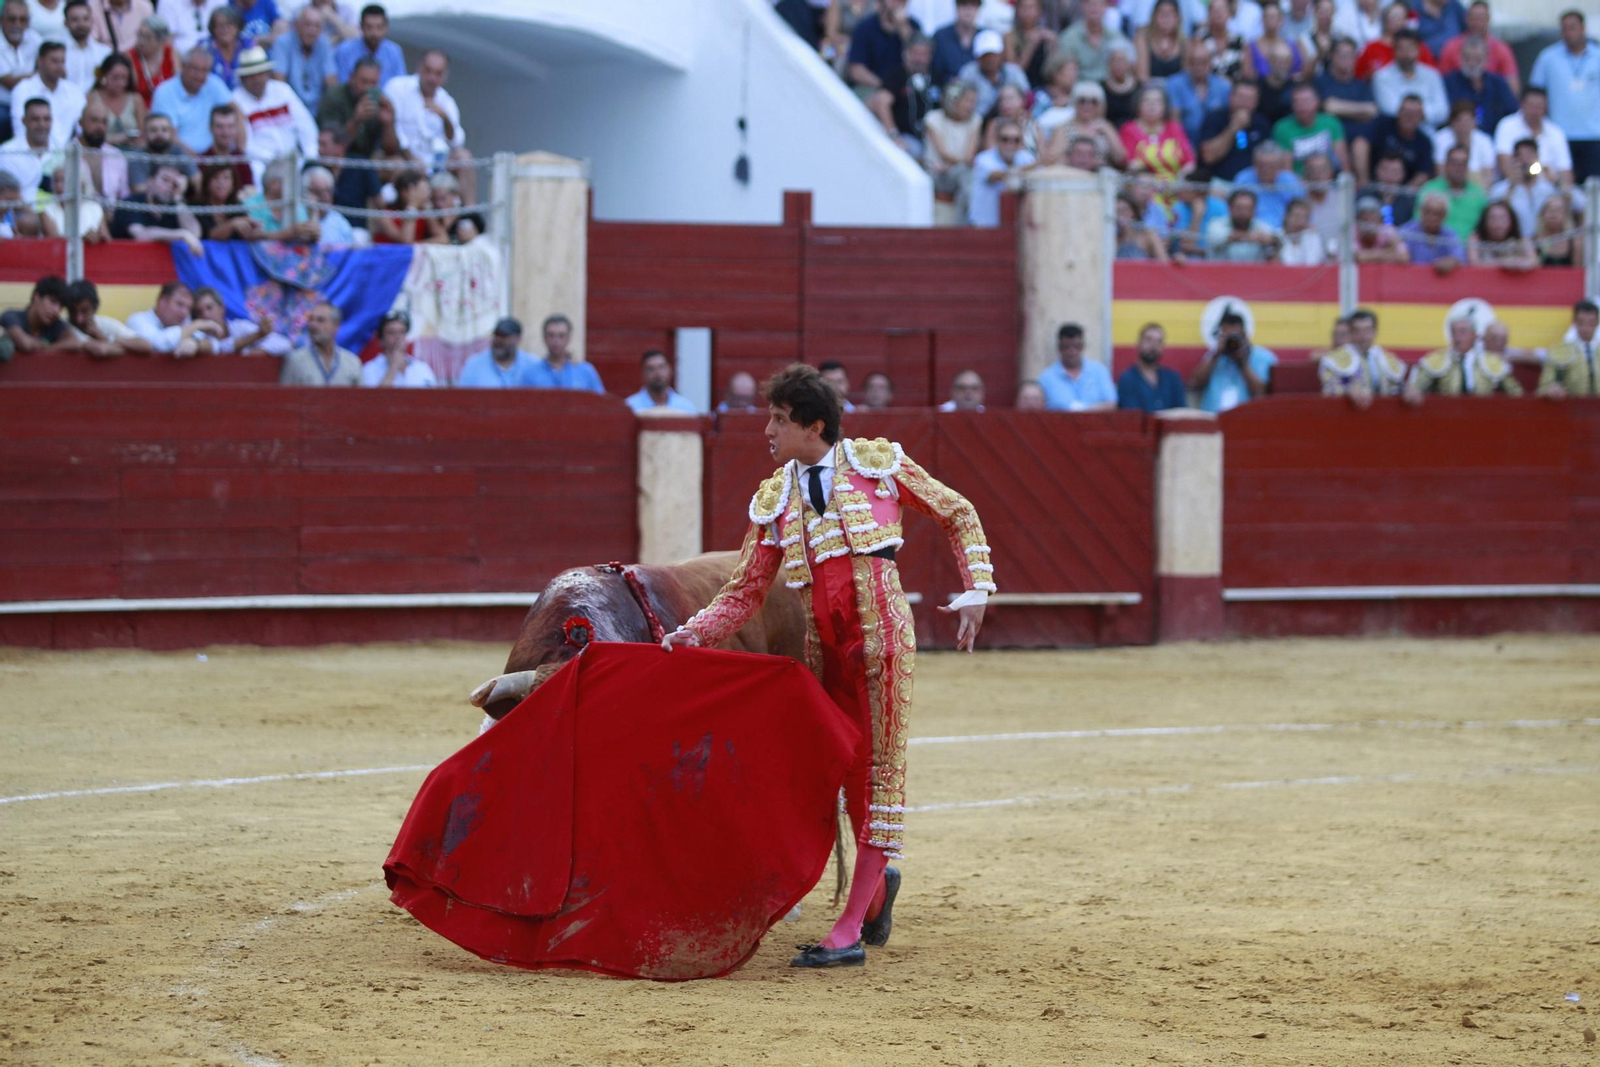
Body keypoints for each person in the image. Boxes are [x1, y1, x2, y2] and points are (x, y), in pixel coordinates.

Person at [660, 363, 994, 969]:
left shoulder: (877, 464)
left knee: (880, 774)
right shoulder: (774, 496)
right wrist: (692, 633)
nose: (767, 429)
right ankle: (874, 894)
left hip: (882, 639)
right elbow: (743, 591)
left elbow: (958, 512)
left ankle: (847, 931)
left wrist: (977, 589)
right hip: (822, 652)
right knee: (842, 773)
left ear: (814, 426)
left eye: (779, 420)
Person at [386, 49, 473, 203]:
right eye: (428, 71)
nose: (431, 78)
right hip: (405, 159)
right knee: (394, 163)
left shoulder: (446, 101)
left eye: (438, 73)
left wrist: (445, 118)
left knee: (464, 157)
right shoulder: (397, 88)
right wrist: (411, 157)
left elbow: (457, 142)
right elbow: (393, 127)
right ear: (419, 68)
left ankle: (470, 216)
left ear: (445, 76)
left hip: (437, 165)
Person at [1529, 10, 1599, 184]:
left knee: (1593, 188)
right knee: (1561, 185)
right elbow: (1535, 92)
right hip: (1559, 134)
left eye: (1573, 27)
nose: (1569, 33)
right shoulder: (1548, 57)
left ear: (1583, 28)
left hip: (1594, 134)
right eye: (1564, 29)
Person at [232, 45, 316, 172]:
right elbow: (247, 145)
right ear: (243, 78)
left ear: (267, 74)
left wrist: (310, 160)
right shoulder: (236, 101)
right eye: (251, 75)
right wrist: (273, 163)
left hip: (295, 161)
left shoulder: (282, 90)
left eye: (260, 74)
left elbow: (306, 126)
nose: (257, 79)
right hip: (261, 164)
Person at [847, 0, 920, 136]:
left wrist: (903, 27)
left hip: (905, 90)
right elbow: (856, 71)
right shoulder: (865, 27)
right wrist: (885, 86)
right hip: (872, 87)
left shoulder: (912, 27)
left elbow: (920, 60)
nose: (897, 3)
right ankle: (894, 138)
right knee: (882, 99)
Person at [1404, 314, 1521, 397]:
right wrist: (1412, 391)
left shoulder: (1491, 362)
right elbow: (1415, 385)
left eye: (1462, 332)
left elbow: (1516, 393)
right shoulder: (1437, 359)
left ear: (1474, 335)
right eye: (1453, 332)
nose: (1457, 337)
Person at [1191, 307, 1276, 411]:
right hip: (1215, 419)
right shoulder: (1214, 357)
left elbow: (1262, 393)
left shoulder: (1263, 357)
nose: (1231, 342)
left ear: (1244, 335)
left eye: (1234, 337)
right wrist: (1216, 355)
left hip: (1247, 419)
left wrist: (1242, 362)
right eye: (1227, 337)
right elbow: (1194, 384)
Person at [148, 44, 228, 149]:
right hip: (179, 159)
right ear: (183, 67)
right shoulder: (164, 92)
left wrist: (240, 151)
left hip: (213, 156)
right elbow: (168, 136)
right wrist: (198, 161)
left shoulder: (213, 83)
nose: (200, 75)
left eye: (204, 70)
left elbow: (236, 112)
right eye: (195, 69)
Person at [1493, 87, 1572, 189]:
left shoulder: (1556, 132)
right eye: (1531, 106)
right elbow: (1504, 163)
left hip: (1549, 189)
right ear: (1522, 105)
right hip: (1515, 187)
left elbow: (1565, 170)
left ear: (1545, 107)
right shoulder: (1506, 126)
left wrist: (1559, 184)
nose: (1535, 111)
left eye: (1539, 106)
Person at [1319, 307, 1404, 397]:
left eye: (1367, 330)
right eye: (1357, 331)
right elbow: (1329, 388)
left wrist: (1406, 390)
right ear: (1350, 332)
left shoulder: (1386, 358)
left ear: (1374, 332)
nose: (1363, 336)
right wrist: (1348, 390)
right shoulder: (1335, 359)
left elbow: (1397, 387)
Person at [12, 41, 84, 145]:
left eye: (62, 61)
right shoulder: (23, 89)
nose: (59, 66)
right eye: (54, 61)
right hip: (33, 153)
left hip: (68, 154)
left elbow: (82, 129)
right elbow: (20, 132)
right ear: (40, 61)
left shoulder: (74, 91)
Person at [1120, 82, 1194, 183]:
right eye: (1146, 101)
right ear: (1138, 105)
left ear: (1165, 106)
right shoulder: (1129, 129)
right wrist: (1156, 181)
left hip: (1176, 186)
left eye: (1157, 101)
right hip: (1144, 185)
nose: (1152, 105)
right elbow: (1131, 164)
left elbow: (1190, 162)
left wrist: (1178, 180)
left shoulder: (1174, 128)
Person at [1198, 78, 1270, 181]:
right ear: (1230, 97)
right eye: (1240, 97)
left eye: (1249, 98)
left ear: (1256, 102)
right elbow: (1208, 157)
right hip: (1218, 181)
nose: (1244, 102)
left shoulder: (1261, 123)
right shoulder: (1215, 118)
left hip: (1252, 182)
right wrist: (1234, 128)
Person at [1444, 34, 1516, 138]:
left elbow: (1511, 112)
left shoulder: (1498, 83)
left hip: (1494, 138)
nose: (1472, 63)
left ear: (1486, 58)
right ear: (1460, 57)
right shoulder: (1449, 82)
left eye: (1477, 58)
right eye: (1467, 58)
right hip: (1458, 138)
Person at [1353, 94, 1434, 185]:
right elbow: (1360, 143)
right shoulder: (1382, 124)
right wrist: (1363, 180)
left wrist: (1403, 195)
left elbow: (1423, 174)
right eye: (1406, 112)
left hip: (1403, 191)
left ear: (1422, 117)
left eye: (1414, 114)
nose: (1409, 117)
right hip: (1372, 184)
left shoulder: (1425, 143)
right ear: (1398, 112)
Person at [126, 279, 222, 354]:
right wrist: (195, 325)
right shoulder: (137, 320)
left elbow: (215, 344)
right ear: (162, 302)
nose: (184, 312)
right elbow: (158, 345)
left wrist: (196, 344)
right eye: (179, 304)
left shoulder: (184, 324)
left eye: (188, 308)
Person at [63, 277, 154, 356]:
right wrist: (104, 339)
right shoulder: (65, 327)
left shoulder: (104, 323)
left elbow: (146, 346)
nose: (79, 319)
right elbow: (101, 350)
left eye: (85, 311)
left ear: (94, 309)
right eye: (73, 312)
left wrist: (108, 340)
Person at [968, 116, 1033, 227]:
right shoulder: (983, 159)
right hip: (984, 226)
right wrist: (1039, 164)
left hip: (1015, 227)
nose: (1010, 144)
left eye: (1016, 140)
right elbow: (996, 175)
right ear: (997, 140)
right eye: (1005, 139)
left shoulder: (1025, 158)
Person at [1165, 38, 1229, 147]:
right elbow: (1175, 121)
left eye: (1203, 62)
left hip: (1214, 142)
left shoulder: (1224, 87)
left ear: (1211, 63)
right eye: (1193, 62)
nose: (1198, 67)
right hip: (1184, 141)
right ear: (1186, 63)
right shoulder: (1174, 84)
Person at [269, 3, 333, 112]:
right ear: (296, 25)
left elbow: (331, 82)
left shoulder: (324, 44)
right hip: (291, 107)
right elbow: (279, 81)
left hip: (319, 108)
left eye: (317, 26)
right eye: (307, 24)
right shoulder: (283, 43)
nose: (312, 31)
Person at [1272, 82, 1348, 173]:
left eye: (1306, 101)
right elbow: (1286, 170)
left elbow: (1343, 160)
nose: (1302, 106)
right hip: (1299, 183)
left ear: (1317, 102)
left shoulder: (1331, 122)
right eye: (1297, 101)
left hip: (1329, 181)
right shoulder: (1282, 128)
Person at [1314, 35, 1379, 142]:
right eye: (1342, 55)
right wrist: (1360, 111)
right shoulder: (1320, 81)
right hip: (1329, 139)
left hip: (1357, 138)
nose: (1346, 59)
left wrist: (1339, 108)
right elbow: (1329, 107)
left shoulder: (1361, 85)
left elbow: (1371, 110)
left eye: (1350, 55)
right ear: (1332, 56)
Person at [1487, 137, 1557, 236]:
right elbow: (1492, 218)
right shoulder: (1499, 190)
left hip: (1543, 242)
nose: (1526, 161)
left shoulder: (1548, 190)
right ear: (1514, 160)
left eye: (1530, 156)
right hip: (1513, 244)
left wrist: (1556, 182)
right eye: (1521, 156)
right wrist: (1512, 187)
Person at [1039, 322, 1116, 410]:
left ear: (1083, 347)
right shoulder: (1047, 378)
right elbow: (1041, 409)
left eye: (1076, 346)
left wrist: (1084, 411)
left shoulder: (1099, 371)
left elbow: (1111, 404)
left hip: (1095, 423)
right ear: (1059, 348)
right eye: (1066, 347)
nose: (1072, 351)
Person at [517, 313, 602, 392]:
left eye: (561, 336)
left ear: (569, 339)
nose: (556, 341)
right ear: (544, 338)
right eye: (551, 335)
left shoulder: (585, 372)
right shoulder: (531, 374)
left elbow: (600, 403)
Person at [279, 301, 358, 385]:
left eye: (320, 320)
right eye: (311, 320)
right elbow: (285, 396)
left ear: (336, 326)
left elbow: (362, 397)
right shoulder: (295, 361)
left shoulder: (352, 362)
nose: (313, 325)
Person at [1417, 144, 1485, 238]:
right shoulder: (1430, 189)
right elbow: (1418, 223)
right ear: (1446, 165)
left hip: (1468, 249)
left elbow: (1484, 230)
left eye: (1463, 164)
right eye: (1454, 163)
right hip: (1435, 246)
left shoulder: (1478, 195)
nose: (1458, 168)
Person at [191, 283, 284, 352]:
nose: (205, 315)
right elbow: (221, 347)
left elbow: (283, 343)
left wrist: (261, 350)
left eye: (209, 308)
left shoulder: (240, 326)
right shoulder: (198, 335)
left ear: (222, 308)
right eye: (199, 312)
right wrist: (258, 335)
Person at [1231, 141, 1303, 228]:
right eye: (1262, 166)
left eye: (1271, 166)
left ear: (1279, 166)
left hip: (1286, 231)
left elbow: (1301, 209)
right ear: (1254, 164)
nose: (1266, 171)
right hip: (1251, 230)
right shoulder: (1243, 179)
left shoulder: (1290, 181)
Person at [1116, 322, 1186, 411]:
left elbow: (1181, 412)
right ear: (1139, 343)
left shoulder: (1173, 378)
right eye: (1148, 340)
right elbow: (1132, 416)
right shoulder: (1127, 379)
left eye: (1159, 341)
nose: (1153, 346)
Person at [0, 1, 43, 145]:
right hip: (3, 103)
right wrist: (38, 74)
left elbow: (49, 68)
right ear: (1, 20)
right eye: (12, 19)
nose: (17, 24)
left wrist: (39, 74)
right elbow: (9, 82)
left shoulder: (35, 39)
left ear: (28, 22)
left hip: (32, 99)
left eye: (22, 19)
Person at [455, 316, 540, 388]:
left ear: (518, 339)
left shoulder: (533, 365)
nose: (499, 340)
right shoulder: (474, 365)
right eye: (496, 335)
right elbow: (463, 398)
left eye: (504, 336)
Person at [1537, 299, 1598, 398]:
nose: (1586, 328)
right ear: (1574, 322)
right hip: (1572, 409)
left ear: (1597, 323)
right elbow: (1543, 388)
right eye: (1581, 322)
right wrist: (1551, 390)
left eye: (1591, 323)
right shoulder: (1559, 351)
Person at [1, 274, 78, 352]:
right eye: (52, 301)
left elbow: (75, 343)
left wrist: (48, 349)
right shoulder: (11, 317)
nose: (56, 310)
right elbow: (25, 344)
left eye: (61, 306)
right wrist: (44, 345)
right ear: (36, 297)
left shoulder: (55, 324)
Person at [360, 310, 436, 387]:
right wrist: (394, 366)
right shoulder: (369, 369)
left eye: (402, 332)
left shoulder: (422, 368)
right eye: (391, 332)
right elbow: (377, 398)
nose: (398, 336)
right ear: (381, 340)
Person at [1056, 0, 1126, 82]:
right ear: (1082, 6)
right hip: (1078, 87)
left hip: (1110, 87)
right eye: (1090, 4)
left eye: (1099, 4)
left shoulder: (1116, 37)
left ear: (1106, 7)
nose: (1094, 8)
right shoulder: (1069, 38)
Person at [1432, 97, 1496, 185]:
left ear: (1475, 122)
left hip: (1477, 190)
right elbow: (1440, 173)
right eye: (1461, 121)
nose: (1465, 125)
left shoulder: (1484, 141)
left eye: (1469, 121)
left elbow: (1489, 175)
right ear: (1452, 122)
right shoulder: (1440, 139)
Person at [1206, 187, 1281, 261]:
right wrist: (1248, 236)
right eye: (1239, 208)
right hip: (1220, 272)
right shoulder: (1216, 224)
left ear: (1254, 210)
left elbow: (1278, 239)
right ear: (1230, 208)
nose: (1243, 213)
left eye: (1248, 209)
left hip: (1254, 272)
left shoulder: (1262, 227)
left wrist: (1272, 240)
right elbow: (1215, 238)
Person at [332, 1, 400, 83]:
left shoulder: (394, 51)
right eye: (369, 27)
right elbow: (341, 84)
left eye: (379, 27)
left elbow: (399, 84)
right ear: (361, 26)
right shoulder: (344, 51)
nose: (374, 33)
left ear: (386, 27)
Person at [1397, 191, 1464, 272]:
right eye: (1428, 212)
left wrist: (1450, 262)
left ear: (1444, 216)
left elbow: (1459, 256)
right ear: (1421, 211)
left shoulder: (1449, 234)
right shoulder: (1407, 231)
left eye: (1437, 214)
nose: (1431, 217)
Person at [0, 96, 50, 198]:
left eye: (46, 119)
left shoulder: (63, 150)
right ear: (24, 121)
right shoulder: (8, 152)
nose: (41, 124)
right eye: (35, 119)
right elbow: (10, 196)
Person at [1466, 199, 1537, 271]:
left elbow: (1534, 261)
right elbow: (1474, 263)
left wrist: (1518, 263)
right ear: (1484, 221)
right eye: (1492, 218)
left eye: (1502, 218)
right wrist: (1503, 263)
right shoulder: (1476, 238)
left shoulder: (1521, 240)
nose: (1497, 223)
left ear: (1512, 221)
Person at [625, 349, 696, 414]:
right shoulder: (630, 407)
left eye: (661, 367)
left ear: (670, 370)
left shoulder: (686, 407)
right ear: (643, 374)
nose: (657, 373)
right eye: (651, 369)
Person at [60, 1, 108, 93]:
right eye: (75, 20)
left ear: (92, 21)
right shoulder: (58, 52)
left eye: (85, 19)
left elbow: (105, 82)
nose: (81, 24)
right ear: (65, 23)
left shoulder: (104, 52)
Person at [127, 13, 176, 103]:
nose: (140, 41)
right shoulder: (129, 57)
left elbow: (178, 87)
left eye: (147, 37)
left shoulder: (171, 54)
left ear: (161, 41)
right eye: (139, 35)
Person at [1006, 0, 1055, 87]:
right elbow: (1014, 71)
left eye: (1031, 7)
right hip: (1018, 86)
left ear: (1039, 11)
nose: (1027, 11)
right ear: (1017, 10)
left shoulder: (1046, 36)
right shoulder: (1009, 37)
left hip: (1042, 86)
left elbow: (1051, 73)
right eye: (1023, 7)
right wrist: (1030, 45)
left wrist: (1052, 46)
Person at [930, 0, 979, 86]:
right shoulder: (941, 36)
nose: (968, 10)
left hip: (978, 91)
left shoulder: (985, 36)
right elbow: (934, 69)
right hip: (946, 90)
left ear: (978, 8)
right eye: (964, 4)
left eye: (973, 5)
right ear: (956, 7)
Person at [199, 4, 248, 87]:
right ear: (213, 29)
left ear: (238, 27)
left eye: (229, 25)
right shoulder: (204, 48)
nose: (225, 29)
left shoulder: (248, 46)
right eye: (220, 25)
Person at [1351, 193, 1409, 261]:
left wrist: (1369, 255)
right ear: (1358, 221)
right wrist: (1387, 253)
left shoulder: (1388, 230)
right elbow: (1356, 257)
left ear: (1380, 220)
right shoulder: (1351, 232)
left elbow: (1404, 257)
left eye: (1372, 220)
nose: (1368, 226)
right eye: (1365, 221)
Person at [1135, 0, 1185, 81]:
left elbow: (1186, 77)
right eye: (1162, 14)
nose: (1166, 18)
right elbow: (1142, 77)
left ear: (1178, 17)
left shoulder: (1184, 42)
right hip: (1150, 89)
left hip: (1176, 90)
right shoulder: (1143, 39)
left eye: (1170, 14)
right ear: (1154, 16)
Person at [1532, 194, 1582, 268]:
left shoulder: (1574, 243)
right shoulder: (1533, 242)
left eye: (1558, 210)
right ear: (1542, 214)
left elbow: (1578, 271)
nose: (1553, 214)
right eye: (1549, 209)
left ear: (1565, 216)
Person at [87, 0, 153, 52]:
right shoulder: (92, 7)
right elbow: (91, 42)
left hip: (136, 61)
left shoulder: (145, 7)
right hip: (107, 61)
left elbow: (151, 40)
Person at [1278, 197, 1326, 264]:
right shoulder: (1276, 237)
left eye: (1304, 218)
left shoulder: (1312, 238)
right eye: (1297, 216)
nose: (1300, 222)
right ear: (1286, 216)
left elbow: (1312, 264)